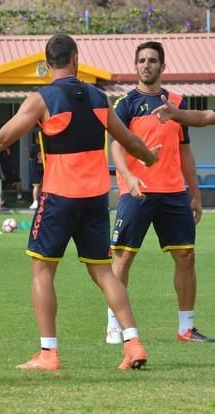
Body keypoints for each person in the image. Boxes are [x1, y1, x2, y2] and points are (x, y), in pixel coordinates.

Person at [0, 34, 160, 371]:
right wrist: (149, 157)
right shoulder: (99, 98)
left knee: (43, 270)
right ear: (75, 59)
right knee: (104, 272)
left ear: (47, 64)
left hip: (59, 197)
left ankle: (48, 354)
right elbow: (130, 139)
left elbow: (0, 140)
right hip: (95, 199)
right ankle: (133, 343)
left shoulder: (41, 99)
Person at [105, 41, 213, 344]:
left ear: (163, 67)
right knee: (123, 258)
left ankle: (186, 328)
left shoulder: (176, 103)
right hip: (136, 193)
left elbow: (185, 153)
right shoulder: (124, 104)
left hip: (173, 194)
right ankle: (115, 325)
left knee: (186, 256)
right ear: (135, 65)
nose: (146, 65)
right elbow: (116, 146)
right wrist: (127, 178)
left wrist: (194, 194)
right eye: (141, 60)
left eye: (152, 60)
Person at [29, 128, 43, 210]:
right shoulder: (44, 146)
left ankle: (35, 201)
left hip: (36, 168)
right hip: (44, 168)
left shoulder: (34, 147)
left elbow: (30, 157)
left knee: (36, 186)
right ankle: (40, 201)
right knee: (41, 186)